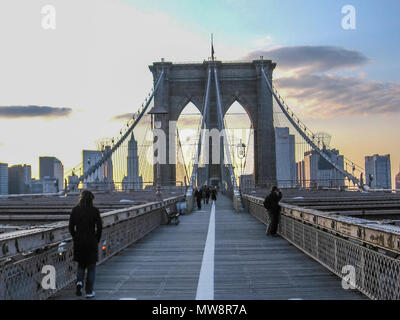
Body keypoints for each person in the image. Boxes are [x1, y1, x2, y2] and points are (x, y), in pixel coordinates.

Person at [69, 190, 103, 298]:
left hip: (79, 242)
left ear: (81, 198)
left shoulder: (75, 210)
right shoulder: (95, 211)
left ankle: (79, 282)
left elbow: (70, 227)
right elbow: (100, 227)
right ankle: (89, 292)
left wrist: (75, 237)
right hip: (91, 241)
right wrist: (96, 238)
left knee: (81, 265)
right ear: (92, 199)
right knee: (91, 267)